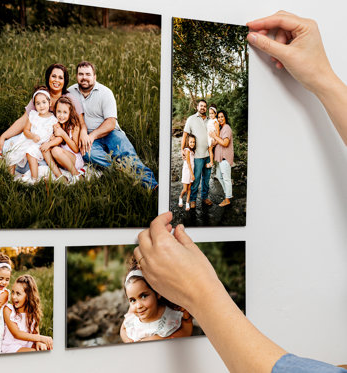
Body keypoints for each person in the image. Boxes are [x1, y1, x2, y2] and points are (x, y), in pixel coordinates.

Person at [135, 11, 347, 373]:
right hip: (200, 158)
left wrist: (201, 294)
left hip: (209, 161)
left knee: (207, 186)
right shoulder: (193, 121)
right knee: (198, 184)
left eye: (207, 108)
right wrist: (326, 80)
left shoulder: (216, 124)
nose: (205, 110)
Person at [68, 61, 158, 189]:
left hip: (111, 132)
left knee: (126, 153)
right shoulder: (71, 92)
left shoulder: (105, 93)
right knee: (88, 154)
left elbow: (110, 123)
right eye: (81, 74)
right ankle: (121, 170)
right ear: (76, 76)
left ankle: (152, 185)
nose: (84, 78)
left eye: (88, 74)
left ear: (94, 76)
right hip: (86, 135)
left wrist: (92, 136)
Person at [0, 63, 84, 172]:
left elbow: (80, 123)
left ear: (65, 81)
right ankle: (1, 158)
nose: (56, 80)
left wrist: (83, 133)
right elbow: (24, 120)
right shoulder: (41, 96)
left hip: (53, 144)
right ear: (48, 77)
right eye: (53, 76)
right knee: (9, 147)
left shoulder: (70, 99)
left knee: (32, 163)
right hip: (35, 137)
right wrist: (3, 136)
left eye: (60, 77)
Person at [120, 259, 193, 343]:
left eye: (143, 296)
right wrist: (130, 342)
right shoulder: (132, 317)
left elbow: (186, 332)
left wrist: (187, 319)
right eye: (133, 300)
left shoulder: (170, 317)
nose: (138, 305)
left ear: (158, 293)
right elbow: (122, 330)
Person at [5, 86, 58, 183]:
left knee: (30, 152)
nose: (41, 106)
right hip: (27, 140)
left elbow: (58, 135)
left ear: (50, 103)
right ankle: (10, 178)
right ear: (34, 105)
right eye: (38, 103)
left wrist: (52, 138)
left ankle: (35, 178)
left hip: (39, 145)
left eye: (44, 102)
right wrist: (32, 136)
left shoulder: (53, 119)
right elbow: (26, 130)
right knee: (12, 153)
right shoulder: (33, 115)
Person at [2, 275, 53, 353]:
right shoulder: (8, 310)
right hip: (10, 348)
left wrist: (39, 343)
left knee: (48, 350)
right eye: (13, 292)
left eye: (18, 294)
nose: (14, 297)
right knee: (38, 354)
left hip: (26, 346)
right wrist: (41, 339)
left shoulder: (33, 314)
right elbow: (17, 334)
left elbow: (36, 334)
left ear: (28, 296)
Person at [41, 96, 84, 183]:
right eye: (59, 112)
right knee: (45, 148)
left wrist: (63, 134)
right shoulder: (55, 124)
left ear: (70, 113)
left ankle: (77, 175)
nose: (61, 115)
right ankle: (60, 176)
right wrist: (51, 140)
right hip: (61, 159)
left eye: (65, 112)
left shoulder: (74, 126)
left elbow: (76, 149)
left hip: (74, 159)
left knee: (56, 150)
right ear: (55, 111)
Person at [181, 99, 213, 208]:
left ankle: (204, 197)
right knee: (196, 178)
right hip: (197, 156)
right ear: (197, 107)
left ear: (206, 108)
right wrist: (182, 149)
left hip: (208, 155)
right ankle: (193, 199)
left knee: (206, 179)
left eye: (205, 106)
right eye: (201, 106)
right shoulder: (191, 119)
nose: (203, 108)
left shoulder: (210, 120)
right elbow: (185, 135)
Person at [210, 109, 234, 207]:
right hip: (220, 159)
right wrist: (213, 141)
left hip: (225, 158)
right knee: (219, 176)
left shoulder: (227, 128)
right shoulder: (221, 128)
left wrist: (215, 136)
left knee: (226, 179)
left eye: (222, 117)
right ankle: (228, 193)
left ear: (225, 117)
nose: (220, 119)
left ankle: (227, 199)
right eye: (218, 117)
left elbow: (225, 143)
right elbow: (219, 141)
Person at [178, 134, 196, 211]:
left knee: (189, 189)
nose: (192, 143)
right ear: (187, 142)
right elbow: (188, 162)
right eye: (191, 142)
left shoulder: (192, 151)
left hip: (191, 171)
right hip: (187, 172)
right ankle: (180, 197)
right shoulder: (187, 150)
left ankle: (187, 202)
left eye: (194, 142)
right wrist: (192, 174)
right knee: (185, 189)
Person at [206, 104, 220, 169]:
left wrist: (216, 140)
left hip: (212, 137)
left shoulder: (215, 122)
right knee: (209, 149)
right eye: (209, 113)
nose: (211, 115)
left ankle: (211, 162)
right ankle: (211, 161)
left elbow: (218, 132)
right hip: (209, 136)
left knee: (210, 149)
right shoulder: (210, 120)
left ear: (215, 113)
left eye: (212, 113)